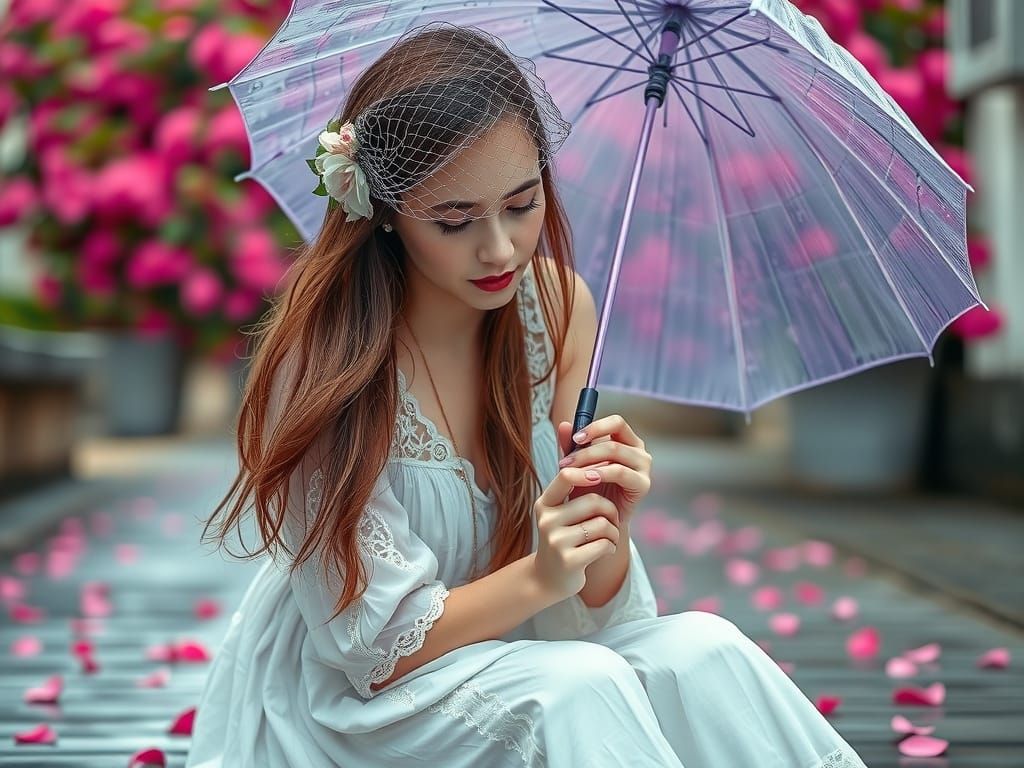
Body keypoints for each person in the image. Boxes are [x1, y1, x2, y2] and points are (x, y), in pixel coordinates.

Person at [187, 22, 868, 768]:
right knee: (579, 688)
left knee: (706, 650)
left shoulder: (557, 309)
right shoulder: (327, 361)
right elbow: (375, 651)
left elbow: (600, 615)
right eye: (454, 221)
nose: (500, 248)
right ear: (384, 211)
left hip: (538, 662)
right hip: (360, 708)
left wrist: (603, 524)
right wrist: (541, 574)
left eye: (521, 204)